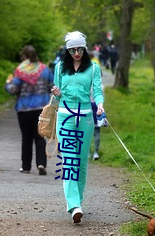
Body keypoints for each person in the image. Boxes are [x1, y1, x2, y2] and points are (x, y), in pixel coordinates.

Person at [51, 31, 104, 223]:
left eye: (80, 49)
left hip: (86, 119)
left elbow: (97, 90)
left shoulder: (93, 68)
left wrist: (100, 104)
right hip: (65, 117)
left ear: (85, 48)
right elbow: (57, 97)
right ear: (67, 50)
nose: (76, 53)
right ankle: (73, 205)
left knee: (81, 163)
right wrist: (56, 92)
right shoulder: (59, 68)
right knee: (69, 162)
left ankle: (78, 202)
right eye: (72, 50)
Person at [5, 45, 54, 175]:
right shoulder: (45, 70)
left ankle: (26, 166)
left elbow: (13, 90)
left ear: (24, 57)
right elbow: (52, 87)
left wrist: (8, 83)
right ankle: (41, 163)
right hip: (41, 109)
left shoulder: (20, 71)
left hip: (24, 109)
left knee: (26, 138)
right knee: (40, 137)